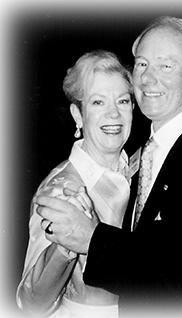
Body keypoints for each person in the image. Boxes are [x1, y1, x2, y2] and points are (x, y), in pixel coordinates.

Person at [34, 16, 182, 315]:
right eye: (142, 64)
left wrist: (92, 240)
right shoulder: (134, 152)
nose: (148, 79)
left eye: (166, 65)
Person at [16, 50, 135, 317]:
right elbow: (30, 303)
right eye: (98, 102)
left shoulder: (141, 168)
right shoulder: (60, 189)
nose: (114, 113)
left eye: (123, 101)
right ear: (78, 116)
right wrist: (66, 245)